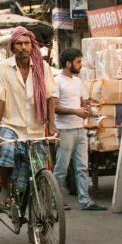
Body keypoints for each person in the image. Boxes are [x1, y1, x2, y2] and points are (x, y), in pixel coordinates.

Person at [0, 27, 58, 206]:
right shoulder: (3, 68)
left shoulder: (43, 67)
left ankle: (34, 200)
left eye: (26, 43)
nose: (23, 47)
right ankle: (4, 187)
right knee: (7, 151)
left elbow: (50, 97)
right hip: (10, 125)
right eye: (19, 44)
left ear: (32, 46)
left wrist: (52, 124)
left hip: (36, 127)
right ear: (12, 47)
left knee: (36, 169)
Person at [53, 48, 106, 211]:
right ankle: (55, 201)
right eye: (78, 62)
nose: (81, 65)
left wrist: (89, 113)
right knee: (61, 169)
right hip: (65, 131)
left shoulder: (77, 81)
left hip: (80, 130)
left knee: (82, 167)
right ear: (68, 63)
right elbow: (54, 106)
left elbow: (81, 102)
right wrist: (75, 111)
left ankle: (86, 201)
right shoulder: (57, 81)